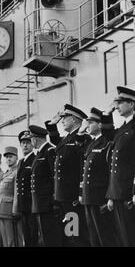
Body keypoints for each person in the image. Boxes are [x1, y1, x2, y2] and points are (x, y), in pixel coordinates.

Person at [45, 104, 90, 246]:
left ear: (75, 120)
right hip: (64, 195)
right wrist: (52, 124)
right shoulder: (66, 139)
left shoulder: (82, 138)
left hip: (73, 195)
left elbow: (84, 168)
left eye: (65, 118)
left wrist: (80, 192)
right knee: (70, 233)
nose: (62, 121)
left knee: (77, 233)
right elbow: (55, 140)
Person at [77, 108, 118, 246]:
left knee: (105, 236)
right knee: (93, 236)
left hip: (101, 196)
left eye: (90, 122)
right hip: (89, 196)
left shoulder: (107, 142)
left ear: (100, 124)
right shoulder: (91, 143)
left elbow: (111, 171)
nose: (87, 125)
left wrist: (110, 196)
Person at [105, 86, 135, 246]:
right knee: (123, 236)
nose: (116, 106)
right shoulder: (123, 129)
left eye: (120, 102)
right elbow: (107, 134)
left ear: (132, 104)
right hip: (118, 191)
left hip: (129, 192)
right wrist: (106, 114)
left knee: (131, 235)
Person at [29, 125, 61, 246]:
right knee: (44, 237)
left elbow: (55, 176)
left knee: (51, 237)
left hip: (48, 203)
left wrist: (54, 199)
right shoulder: (40, 153)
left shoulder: (49, 151)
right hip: (39, 203)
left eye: (31, 138)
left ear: (35, 139)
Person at [13, 130, 37, 247]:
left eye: (28, 142)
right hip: (23, 204)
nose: (25, 145)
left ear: (32, 143)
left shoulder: (35, 159)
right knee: (26, 234)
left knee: (34, 234)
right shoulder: (21, 162)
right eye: (23, 143)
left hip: (32, 203)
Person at [0, 146, 20, 247]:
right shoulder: (5, 174)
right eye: (7, 157)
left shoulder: (17, 172)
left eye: (11, 156)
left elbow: (16, 192)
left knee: (11, 240)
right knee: (4, 240)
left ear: (16, 158)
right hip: (0, 210)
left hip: (9, 210)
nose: (8, 159)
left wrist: (15, 209)